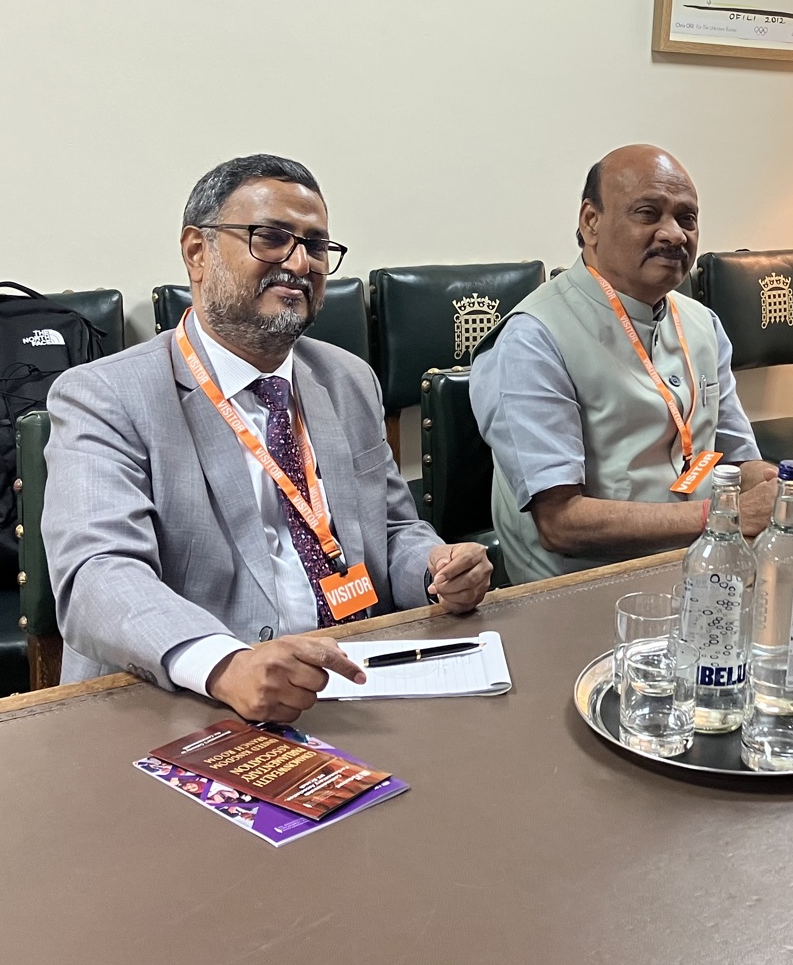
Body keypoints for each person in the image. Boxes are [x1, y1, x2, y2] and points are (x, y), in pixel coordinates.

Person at [44, 155, 492, 722]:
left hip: (348, 682)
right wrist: (225, 664)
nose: (300, 262)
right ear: (197, 252)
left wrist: (434, 569)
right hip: (189, 697)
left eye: (316, 245)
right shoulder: (104, 395)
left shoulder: (347, 378)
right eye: (272, 238)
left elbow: (394, 528)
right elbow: (97, 576)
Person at [471, 144, 793, 583]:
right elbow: (561, 523)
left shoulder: (702, 323)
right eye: (648, 213)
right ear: (591, 222)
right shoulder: (533, 338)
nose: (674, 234)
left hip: (707, 565)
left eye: (687, 218)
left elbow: (735, 460)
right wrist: (730, 516)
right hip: (586, 588)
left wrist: (784, 493)